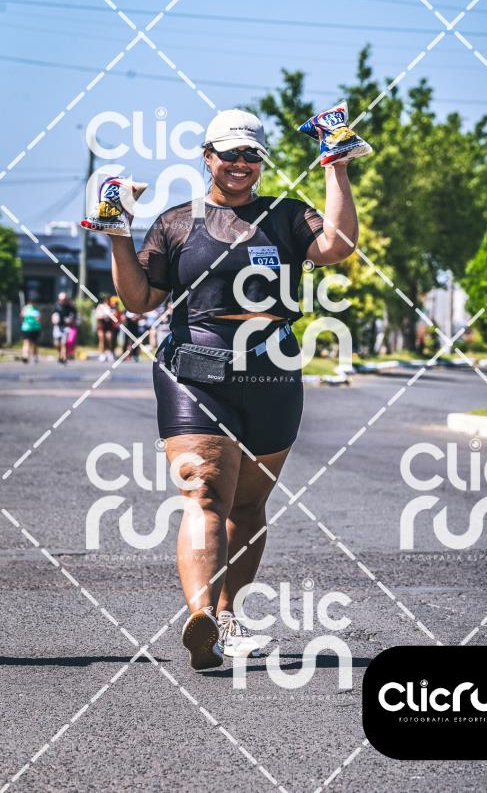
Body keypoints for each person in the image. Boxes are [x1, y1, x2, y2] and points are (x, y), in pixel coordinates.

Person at [109, 109, 358, 670]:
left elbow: (338, 245)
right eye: (230, 153)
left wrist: (336, 166)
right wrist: (119, 233)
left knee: (247, 505)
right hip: (194, 371)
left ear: (261, 161)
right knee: (204, 491)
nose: (241, 163)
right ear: (208, 156)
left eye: (251, 154)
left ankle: (227, 616)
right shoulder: (177, 223)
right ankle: (201, 617)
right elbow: (141, 299)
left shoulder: (287, 215)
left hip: (272, 372)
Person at [51, 292, 77, 364]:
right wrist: (53, 320)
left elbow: (74, 317)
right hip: (57, 327)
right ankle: (60, 355)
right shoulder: (56, 307)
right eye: (61, 299)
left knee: (64, 343)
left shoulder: (70, 307)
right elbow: (53, 316)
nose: (63, 301)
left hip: (66, 327)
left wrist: (71, 321)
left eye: (64, 299)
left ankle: (64, 357)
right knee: (57, 344)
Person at [95, 294, 116, 362]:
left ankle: (110, 352)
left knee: (109, 338)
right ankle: (102, 354)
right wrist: (103, 316)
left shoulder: (112, 307)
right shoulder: (100, 306)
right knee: (102, 339)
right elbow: (97, 316)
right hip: (102, 324)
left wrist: (111, 315)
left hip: (109, 324)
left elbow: (115, 316)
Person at [20, 298, 42, 363]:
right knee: (33, 343)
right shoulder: (36, 310)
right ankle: (33, 356)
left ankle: (26, 356)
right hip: (34, 328)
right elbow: (39, 319)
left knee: (27, 342)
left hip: (26, 328)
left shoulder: (25, 309)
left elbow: (21, 316)